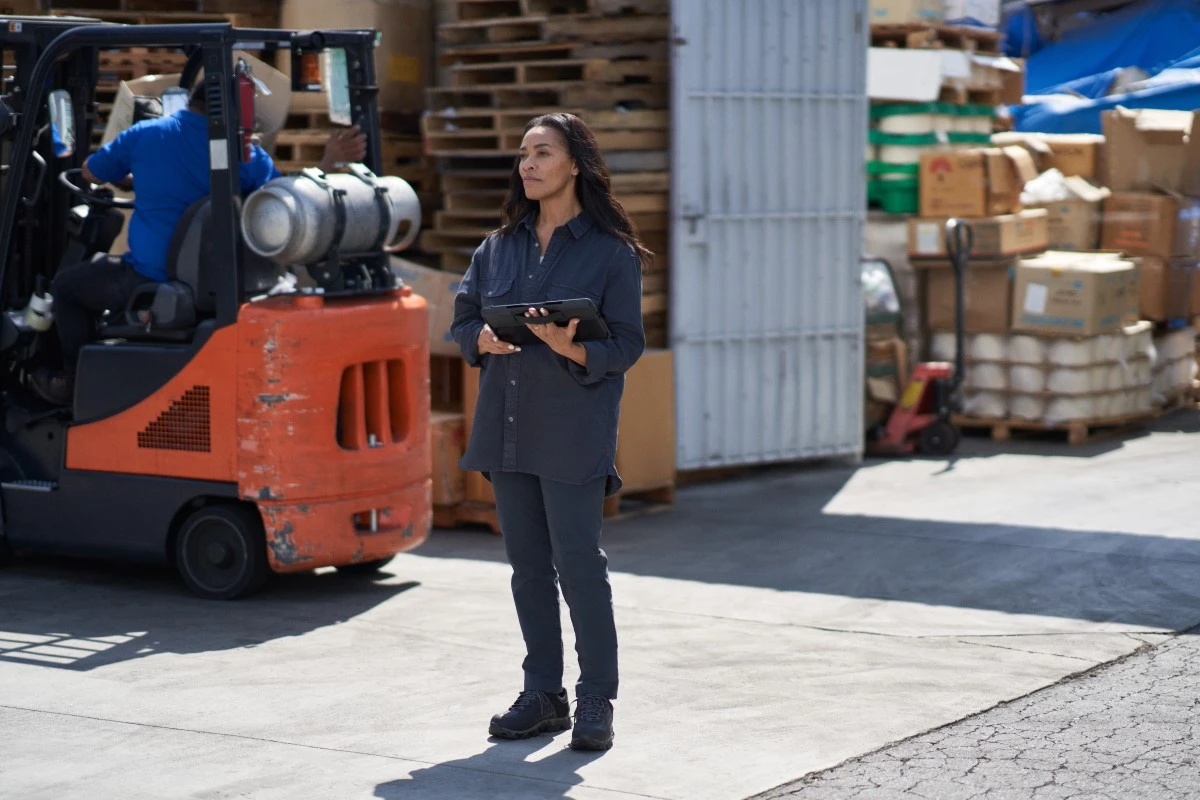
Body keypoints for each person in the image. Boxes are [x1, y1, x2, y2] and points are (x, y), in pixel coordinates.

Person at [450, 113, 649, 752]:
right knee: (527, 570)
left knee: (579, 567)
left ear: (574, 164)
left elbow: (628, 344)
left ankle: (596, 698)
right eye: (523, 154)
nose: (528, 164)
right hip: (507, 428)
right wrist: (475, 339)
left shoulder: (611, 252)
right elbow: (462, 318)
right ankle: (543, 696)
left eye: (543, 152)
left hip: (572, 428)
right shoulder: (497, 247)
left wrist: (575, 347)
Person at [31, 81, 367, 405]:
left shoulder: (145, 135)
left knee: (66, 287)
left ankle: (72, 385)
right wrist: (325, 164)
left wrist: (133, 179)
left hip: (152, 278)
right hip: (218, 285)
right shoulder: (247, 155)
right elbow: (286, 200)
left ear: (193, 99)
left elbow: (90, 172)